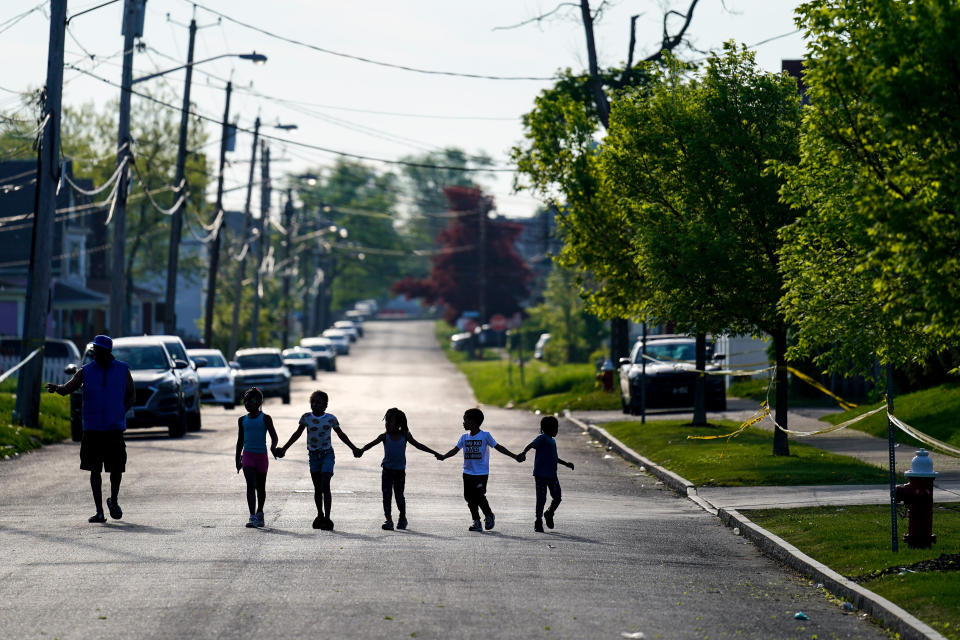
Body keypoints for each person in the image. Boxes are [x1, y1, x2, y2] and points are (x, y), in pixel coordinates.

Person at [47, 334, 135, 523]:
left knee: (116, 469)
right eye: (95, 351)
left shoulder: (122, 370)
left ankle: (114, 501)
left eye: (99, 351)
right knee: (95, 470)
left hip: (114, 428)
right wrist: (57, 388)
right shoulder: (85, 371)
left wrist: (121, 410)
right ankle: (99, 511)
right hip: (93, 429)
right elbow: (69, 388)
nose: (96, 354)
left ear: (107, 352)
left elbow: (131, 395)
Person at [276, 390, 360, 530]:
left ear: (325, 405)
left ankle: (327, 517)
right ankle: (320, 514)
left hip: (327, 455)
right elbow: (297, 434)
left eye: (318, 402)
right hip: (313, 456)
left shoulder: (331, 419)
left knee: (325, 486)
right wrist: (284, 448)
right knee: (317, 488)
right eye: (313, 402)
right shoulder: (306, 418)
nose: (315, 404)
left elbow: (341, 434)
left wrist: (354, 448)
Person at [436, 408, 523, 532]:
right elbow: (455, 450)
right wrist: (444, 456)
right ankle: (476, 521)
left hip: (481, 473)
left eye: (465, 420)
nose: (463, 423)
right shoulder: (464, 437)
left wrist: (514, 456)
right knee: (469, 498)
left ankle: (488, 515)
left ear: (474, 422)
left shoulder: (485, 435)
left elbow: (499, 447)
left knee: (479, 496)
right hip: (467, 473)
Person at [356, 407, 441, 531]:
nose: (387, 424)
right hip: (387, 471)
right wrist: (361, 450)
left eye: (390, 421)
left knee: (399, 495)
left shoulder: (404, 435)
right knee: (387, 495)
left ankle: (402, 517)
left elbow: (419, 445)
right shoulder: (384, 436)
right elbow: (370, 444)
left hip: (400, 472)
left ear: (399, 423)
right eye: (386, 421)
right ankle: (388, 520)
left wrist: (434, 453)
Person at [520, 415, 574, 533]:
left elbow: (554, 457)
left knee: (557, 497)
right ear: (548, 429)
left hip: (552, 475)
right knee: (541, 498)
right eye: (555, 428)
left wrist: (566, 464)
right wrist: (524, 453)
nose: (557, 431)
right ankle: (538, 521)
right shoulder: (542, 438)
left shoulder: (552, 441)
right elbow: (531, 445)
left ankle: (549, 513)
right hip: (540, 475)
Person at [235, 387, 279, 528]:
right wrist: (237, 459)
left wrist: (273, 447)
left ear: (260, 402)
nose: (248, 403)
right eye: (245, 400)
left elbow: (274, 436)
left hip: (261, 456)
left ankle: (260, 512)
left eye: (252, 400)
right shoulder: (242, 420)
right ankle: (252, 515)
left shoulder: (265, 418)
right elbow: (240, 441)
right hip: (248, 456)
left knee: (260, 487)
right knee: (250, 485)